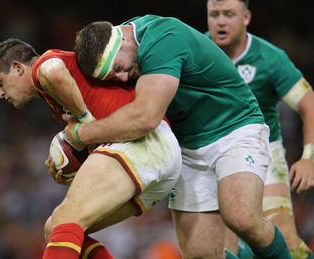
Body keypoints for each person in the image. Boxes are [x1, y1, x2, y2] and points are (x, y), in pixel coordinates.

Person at [73, 14, 292, 258]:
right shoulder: (127, 44)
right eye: (112, 77)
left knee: (241, 218)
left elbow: (145, 118)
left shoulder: (161, 40)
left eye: (118, 69)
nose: (123, 79)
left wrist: (79, 133)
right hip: (188, 146)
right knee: (201, 254)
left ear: (122, 39)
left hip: (234, 128)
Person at [0, 38, 183, 259]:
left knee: (66, 219)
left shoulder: (43, 66)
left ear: (18, 68)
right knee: (55, 228)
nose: (0, 94)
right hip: (158, 156)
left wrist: (84, 119)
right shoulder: (56, 98)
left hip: (142, 142)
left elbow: (52, 70)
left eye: (0, 83)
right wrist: (71, 166)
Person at [206, 0, 314, 258]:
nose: (220, 21)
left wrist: (309, 158)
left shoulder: (270, 58)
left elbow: (309, 104)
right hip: (210, 153)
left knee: (286, 241)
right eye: (214, 14)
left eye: (229, 14)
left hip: (263, 151)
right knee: (223, 249)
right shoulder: (195, 51)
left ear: (246, 17)